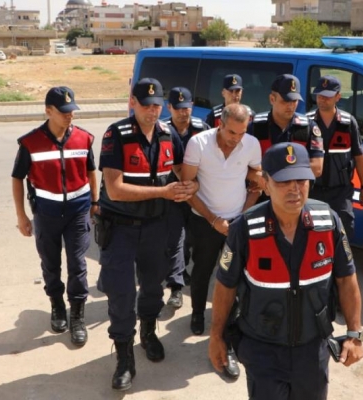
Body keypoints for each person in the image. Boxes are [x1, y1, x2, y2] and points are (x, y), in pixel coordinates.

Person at [208, 142, 363, 399]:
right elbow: (225, 285)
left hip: (312, 350)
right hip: (262, 351)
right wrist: (216, 336)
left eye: (301, 179)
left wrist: (354, 334)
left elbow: (347, 278)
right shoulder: (245, 229)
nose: (294, 189)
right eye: (283, 181)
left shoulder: (328, 222)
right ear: (265, 184)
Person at [96, 78, 198, 390]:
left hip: (157, 228)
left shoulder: (168, 135)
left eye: (157, 106)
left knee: (153, 288)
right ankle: (124, 357)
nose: (152, 112)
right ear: (133, 103)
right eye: (146, 105)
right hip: (121, 230)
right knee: (122, 294)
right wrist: (164, 192)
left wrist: (189, 186)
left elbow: (183, 172)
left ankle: (149, 332)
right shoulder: (117, 134)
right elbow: (114, 190)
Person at [179, 103, 263, 378]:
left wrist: (243, 214)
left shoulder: (250, 145)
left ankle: (226, 332)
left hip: (237, 223)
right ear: (220, 124)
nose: (235, 139)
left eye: (241, 133)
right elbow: (188, 189)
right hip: (204, 222)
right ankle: (197, 314)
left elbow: (257, 181)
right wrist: (214, 220)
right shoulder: (198, 144)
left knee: (234, 277)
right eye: (231, 132)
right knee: (202, 272)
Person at [11, 86, 98, 347]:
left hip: (77, 211)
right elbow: (17, 178)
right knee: (50, 264)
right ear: (48, 111)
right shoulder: (31, 142)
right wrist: (22, 216)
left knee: (78, 264)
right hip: (46, 213)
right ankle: (58, 305)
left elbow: (91, 171)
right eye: (63, 112)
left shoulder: (84, 139)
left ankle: (78, 316)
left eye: (72, 111)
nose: (69, 116)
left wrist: (94, 202)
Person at [161, 87, 209, 309]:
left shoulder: (202, 129)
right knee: (175, 240)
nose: (183, 112)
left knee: (193, 239)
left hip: (199, 194)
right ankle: (176, 287)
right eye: (178, 108)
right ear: (169, 107)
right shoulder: (161, 130)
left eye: (187, 107)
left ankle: (182, 270)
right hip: (171, 196)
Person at [306, 75, 363, 236]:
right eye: (320, 95)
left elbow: (359, 155)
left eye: (327, 96)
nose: (322, 99)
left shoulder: (348, 122)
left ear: (338, 97)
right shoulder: (306, 122)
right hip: (313, 191)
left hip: (340, 192)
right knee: (314, 235)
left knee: (344, 232)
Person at [250, 74, 324, 176]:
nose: (290, 106)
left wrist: (275, 173)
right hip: (264, 190)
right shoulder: (255, 126)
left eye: (294, 101)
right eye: (285, 101)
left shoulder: (309, 127)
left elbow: (317, 168)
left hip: (296, 190)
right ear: (272, 99)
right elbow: (242, 166)